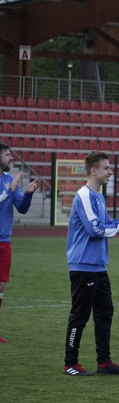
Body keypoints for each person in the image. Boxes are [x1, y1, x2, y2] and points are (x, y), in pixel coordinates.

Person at [62, 151, 119, 376]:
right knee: (80, 314)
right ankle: (70, 363)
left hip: (97, 266)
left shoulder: (98, 196)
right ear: (93, 171)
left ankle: (104, 362)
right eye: (106, 168)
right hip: (83, 265)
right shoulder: (84, 195)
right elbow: (95, 231)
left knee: (105, 311)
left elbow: (106, 226)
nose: (110, 171)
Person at [0, 141, 40, 343]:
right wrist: (10, 189)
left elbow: (21, 208)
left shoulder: (9, 179)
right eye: (7, 155)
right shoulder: (9, 183)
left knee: (0, 286)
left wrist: (28, 194)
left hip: (4, 241)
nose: (10, 158)